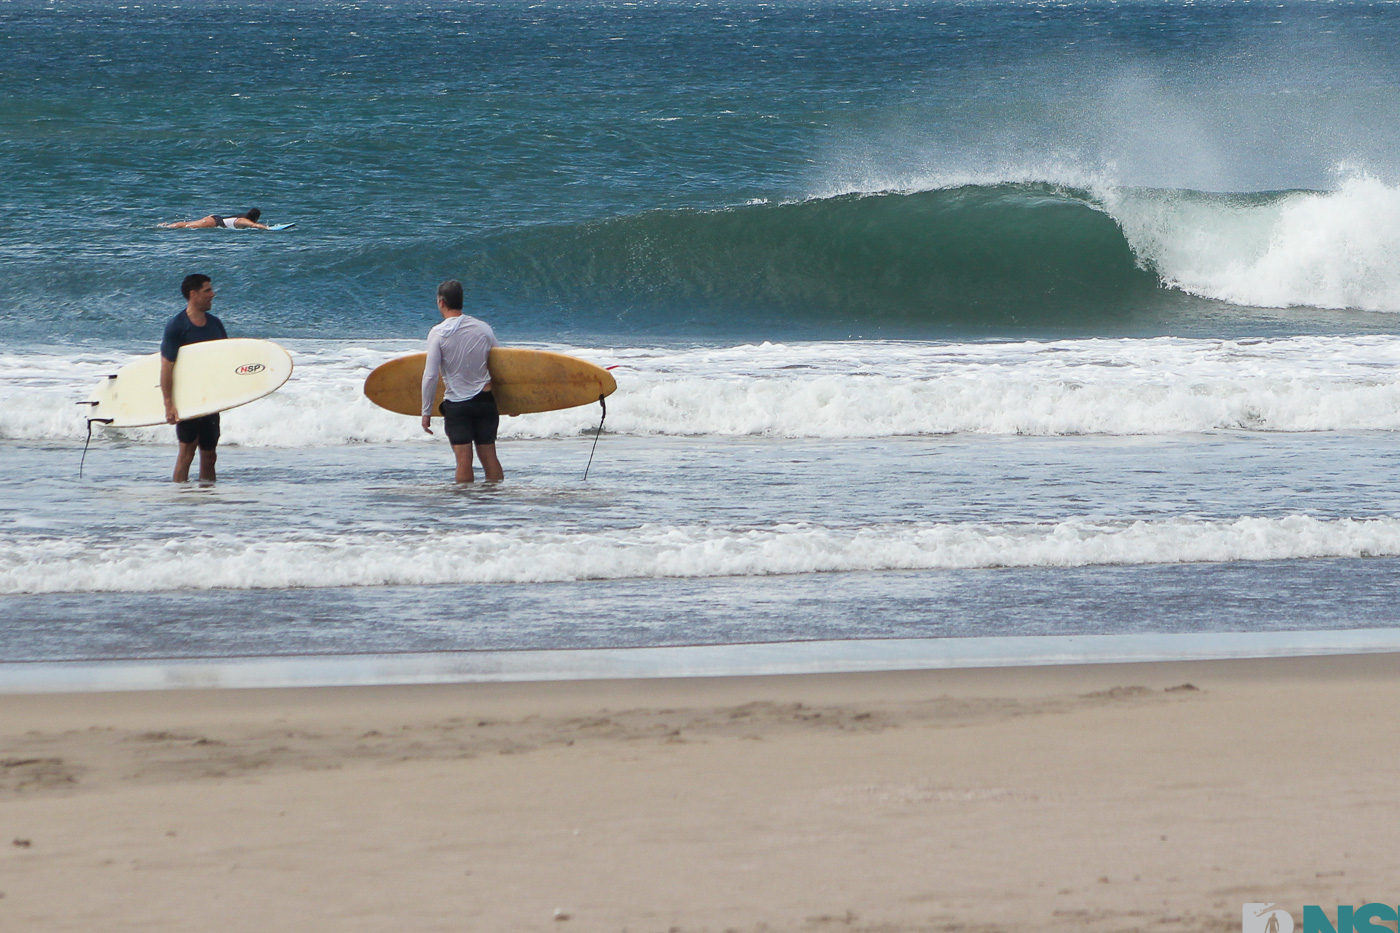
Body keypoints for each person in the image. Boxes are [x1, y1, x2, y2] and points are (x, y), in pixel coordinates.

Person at [421, 279, 504, 483]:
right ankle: (498, 506)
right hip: (485, 401)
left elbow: (430, 375)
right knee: (489, 455)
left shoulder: (438, 333)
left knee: (464, 460)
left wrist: (426, 411)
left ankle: (465, 509)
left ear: (441, 302)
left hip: (457, 405)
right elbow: (502, 365)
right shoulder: (483, 328)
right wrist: (513, 402)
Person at [161, 274, 228, 482]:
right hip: (188, 398)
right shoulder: (177, 327)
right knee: (187, 452)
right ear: (193, 294)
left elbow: (226, 359)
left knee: (209, 455)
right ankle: (180, 498)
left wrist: (229, 393)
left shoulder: (215, 324)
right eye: (207, 290)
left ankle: (208, 498)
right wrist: (169, 403)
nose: (213, 294)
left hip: (210, 398)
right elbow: (166, 367)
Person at [159, 208, 269, 230]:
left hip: (215, 219)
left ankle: (168, 226)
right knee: (189, 225)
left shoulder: (244, 218)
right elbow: (254, 225)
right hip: (214, 222)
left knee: (189, 224)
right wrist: (267, 228)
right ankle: (167, 227)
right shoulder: (243, 221)